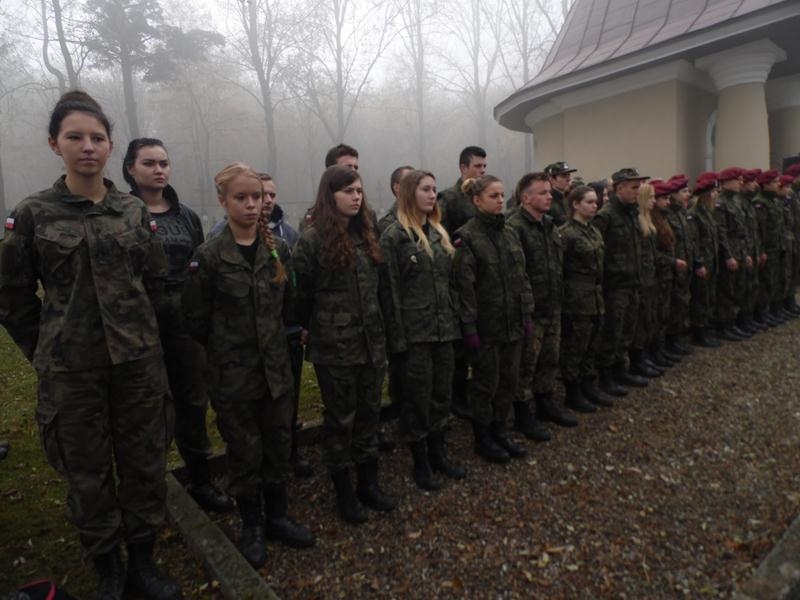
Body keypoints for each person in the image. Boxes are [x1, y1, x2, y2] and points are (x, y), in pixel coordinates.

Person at [0, 91, 180, 600]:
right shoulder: (33, 213)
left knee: (145, 463)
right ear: (54, 143)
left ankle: (142, 560)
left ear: (110, 146)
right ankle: (108, 569)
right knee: (86, 472)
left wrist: (149, 340)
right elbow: (12, 296)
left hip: (138, 367)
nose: (87, 146)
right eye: (75, 137)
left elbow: (156, 283)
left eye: (97, 138)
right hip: (72, 373)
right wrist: (47, 349)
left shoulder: (132, 210)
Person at [182, 163, 314, 568]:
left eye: (256, 197)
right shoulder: (208, 257)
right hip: (233, 376)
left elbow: (289, 305)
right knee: (244, 451)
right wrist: (227, 350)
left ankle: (278, 516)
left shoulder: (278, 250)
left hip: (275, 373)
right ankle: (252, 525)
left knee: (277, 444)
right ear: (222, 200)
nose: (252, 204)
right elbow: (195, 318)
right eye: (241, 198)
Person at [123, 137, 234, 513]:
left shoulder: (186, 216)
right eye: (149, 163)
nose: (159, 170)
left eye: (164, 163)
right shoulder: (122, 214)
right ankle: (147, 490)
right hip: (138, 327)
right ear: (131, 169)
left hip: (184, 327)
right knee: (146, 410)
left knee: (192, 403)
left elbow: (198, 267)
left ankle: (200, 480)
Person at [292, 165, 396, 523]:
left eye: (359, 191)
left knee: (369, 414)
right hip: (335, 349)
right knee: (341, 420)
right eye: (348, 191)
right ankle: (344, 492)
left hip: (371, 345)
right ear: (330, 195)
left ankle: (368, 483)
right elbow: (300, 296)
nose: (356, 197)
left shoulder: (367, 234)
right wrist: (313, 327)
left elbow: (380, 290)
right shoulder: (311, 240)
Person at [380, 170, 466, 490]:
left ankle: (438, 452)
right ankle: (420, 461)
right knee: (417, 399)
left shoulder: (439, 232)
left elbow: (450, 283)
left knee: (441, 394)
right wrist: (397, 341)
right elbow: (389, 292)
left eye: (434, 189)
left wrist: (456, 320)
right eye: (425, 189)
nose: (432, 195)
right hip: (415, 335)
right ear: (408, 194)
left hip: (444, 330)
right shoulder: (394, 236)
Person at [453, 175, 532, 464]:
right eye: (493, 196)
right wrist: (469, 329)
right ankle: (483, 437)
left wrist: (526, 314)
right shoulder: (467, 237)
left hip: (512, 324)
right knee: (485, 384)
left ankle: (501, 430)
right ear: (477, 200)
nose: (500, 200)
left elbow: (521, 277)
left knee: (508, 381)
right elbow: (464, 288)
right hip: (486, 328)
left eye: (501, 195)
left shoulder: (509, 232)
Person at [507, 172, 579, 438]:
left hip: (552, 305)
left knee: (549, 359)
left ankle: (545, 403)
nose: (550, 196)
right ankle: (522, 414)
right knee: (526, 365)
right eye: (543, 192)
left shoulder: (548, 224)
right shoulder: (513, 228)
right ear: (526, 198)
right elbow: (515, 275)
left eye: (550, 192)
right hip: (530, 311)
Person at [438, 146, 488, 420]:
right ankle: (457, 395)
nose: (482, 171)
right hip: (459, 277)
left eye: (484, 166)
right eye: (477, 166)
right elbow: (442, 234)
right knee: (459, 343)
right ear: (463, 167)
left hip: (484, 278)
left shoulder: (485, 194)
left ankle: (476, 389)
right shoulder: (449, 198)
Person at [592, 168, 651, 397]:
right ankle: (606, 376)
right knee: (612, 331)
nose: (638, 192)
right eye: (634, 187)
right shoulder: (606, 216)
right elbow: (598, 253)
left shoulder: (631, 213)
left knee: (627, 330)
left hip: (632, 282)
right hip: (614, 285)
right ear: (619, 188)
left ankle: (620, 369)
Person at [558, 186, 613, 407]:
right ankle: (573, 391)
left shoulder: (594, 231)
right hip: (576, 299)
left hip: (595, 295)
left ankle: (587, 384)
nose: (594, 206)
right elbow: (559, 268)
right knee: (576, 344)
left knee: (592, 342)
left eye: (595, 202)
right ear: (575, 204)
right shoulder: (566, 233)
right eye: (589, 202)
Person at [629, 182, 664, 378]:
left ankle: (646, 354)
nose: (654, 201)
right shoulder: (636, 220)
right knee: (640, 320)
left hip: (650, 276)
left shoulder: (647, 219)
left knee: (649, 316)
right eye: (650, 197)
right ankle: (638, 359)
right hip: (641, 278)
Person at [714, 168, 753, 340]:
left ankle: (733, 322)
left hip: (739, 249)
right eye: (737, 180)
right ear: (726, 182)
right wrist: (728, 255)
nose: (740, 183)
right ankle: (724, 326)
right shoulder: (720, 203)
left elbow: (742, 231)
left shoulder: (735, 201)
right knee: (727, 290)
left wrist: (746, 253)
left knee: (738, 288)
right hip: (729, 251)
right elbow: (721, 232)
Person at [648, 180, 681, 367]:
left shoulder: (662, 218)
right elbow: (653, 253)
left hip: (666, 273)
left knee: (664, 312)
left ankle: (661, 349)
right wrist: (671, 261)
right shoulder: (651, 220)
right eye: (664, 198)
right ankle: (654, 351)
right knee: (657, 314)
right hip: (658, 274)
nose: (668, 202)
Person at [687, 173, 721, 347]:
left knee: (709, 296)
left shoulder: (708, 212)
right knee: (700, 298)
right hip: (702, 262)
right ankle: (699, 331)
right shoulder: (694, 214)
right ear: (706, 194)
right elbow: (694, 241)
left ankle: (706, 327)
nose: (716, 194)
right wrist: (698, 262)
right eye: (713, 191)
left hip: (711, 260)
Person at [663, 174, 696, 352]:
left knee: (682, 302)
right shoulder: (667, 214)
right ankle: (670, 340)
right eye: (683, 191)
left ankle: (676, 337)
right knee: (674, 304)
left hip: (684, 264)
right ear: (673, 194)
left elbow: (689, 240)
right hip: (674, 266)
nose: (687, 194)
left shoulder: (681, 213)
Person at [299, 144, 360, 232]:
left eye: (356, 168)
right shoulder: (313, 219)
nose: (353, 172)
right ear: (330, 171)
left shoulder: (366, 215)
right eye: (347, 167)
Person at [378, 165, 414, 234]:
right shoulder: (388, 224)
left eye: (418, 182)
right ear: (397, 188)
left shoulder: (428, 217)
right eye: (410, 181)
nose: (415, 185)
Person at [544, 162, 578, 226]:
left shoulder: (569, 199)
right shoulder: (547, 201)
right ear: (552, 179)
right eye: (563, 176)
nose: (568, 179)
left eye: (569, 175)